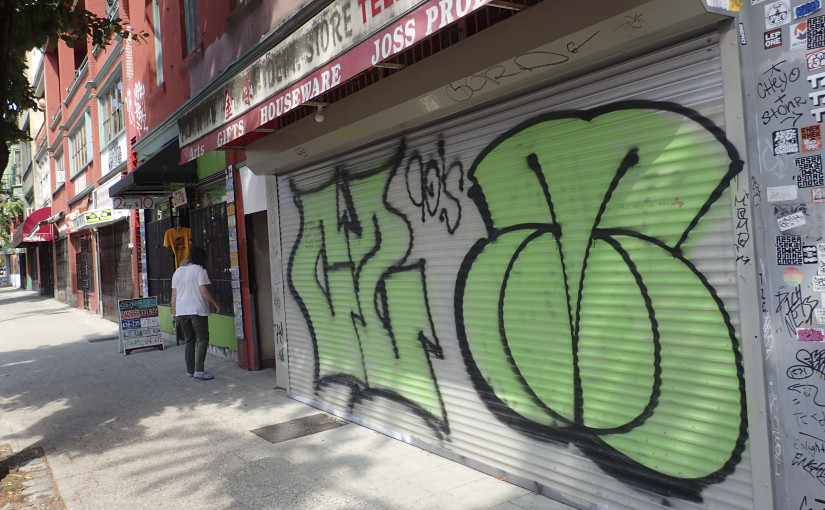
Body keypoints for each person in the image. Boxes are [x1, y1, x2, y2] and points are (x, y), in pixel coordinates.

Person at [171, 246, 221, 380]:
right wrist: (215, 303)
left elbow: (174, 294)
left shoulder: (177, 272)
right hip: (197, 310)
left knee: (189, 340)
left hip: (181, 311)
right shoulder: (200, 270)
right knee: (202, 339)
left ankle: (190, 371)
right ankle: (199, 370)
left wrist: (173, 312)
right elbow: (203, 290)